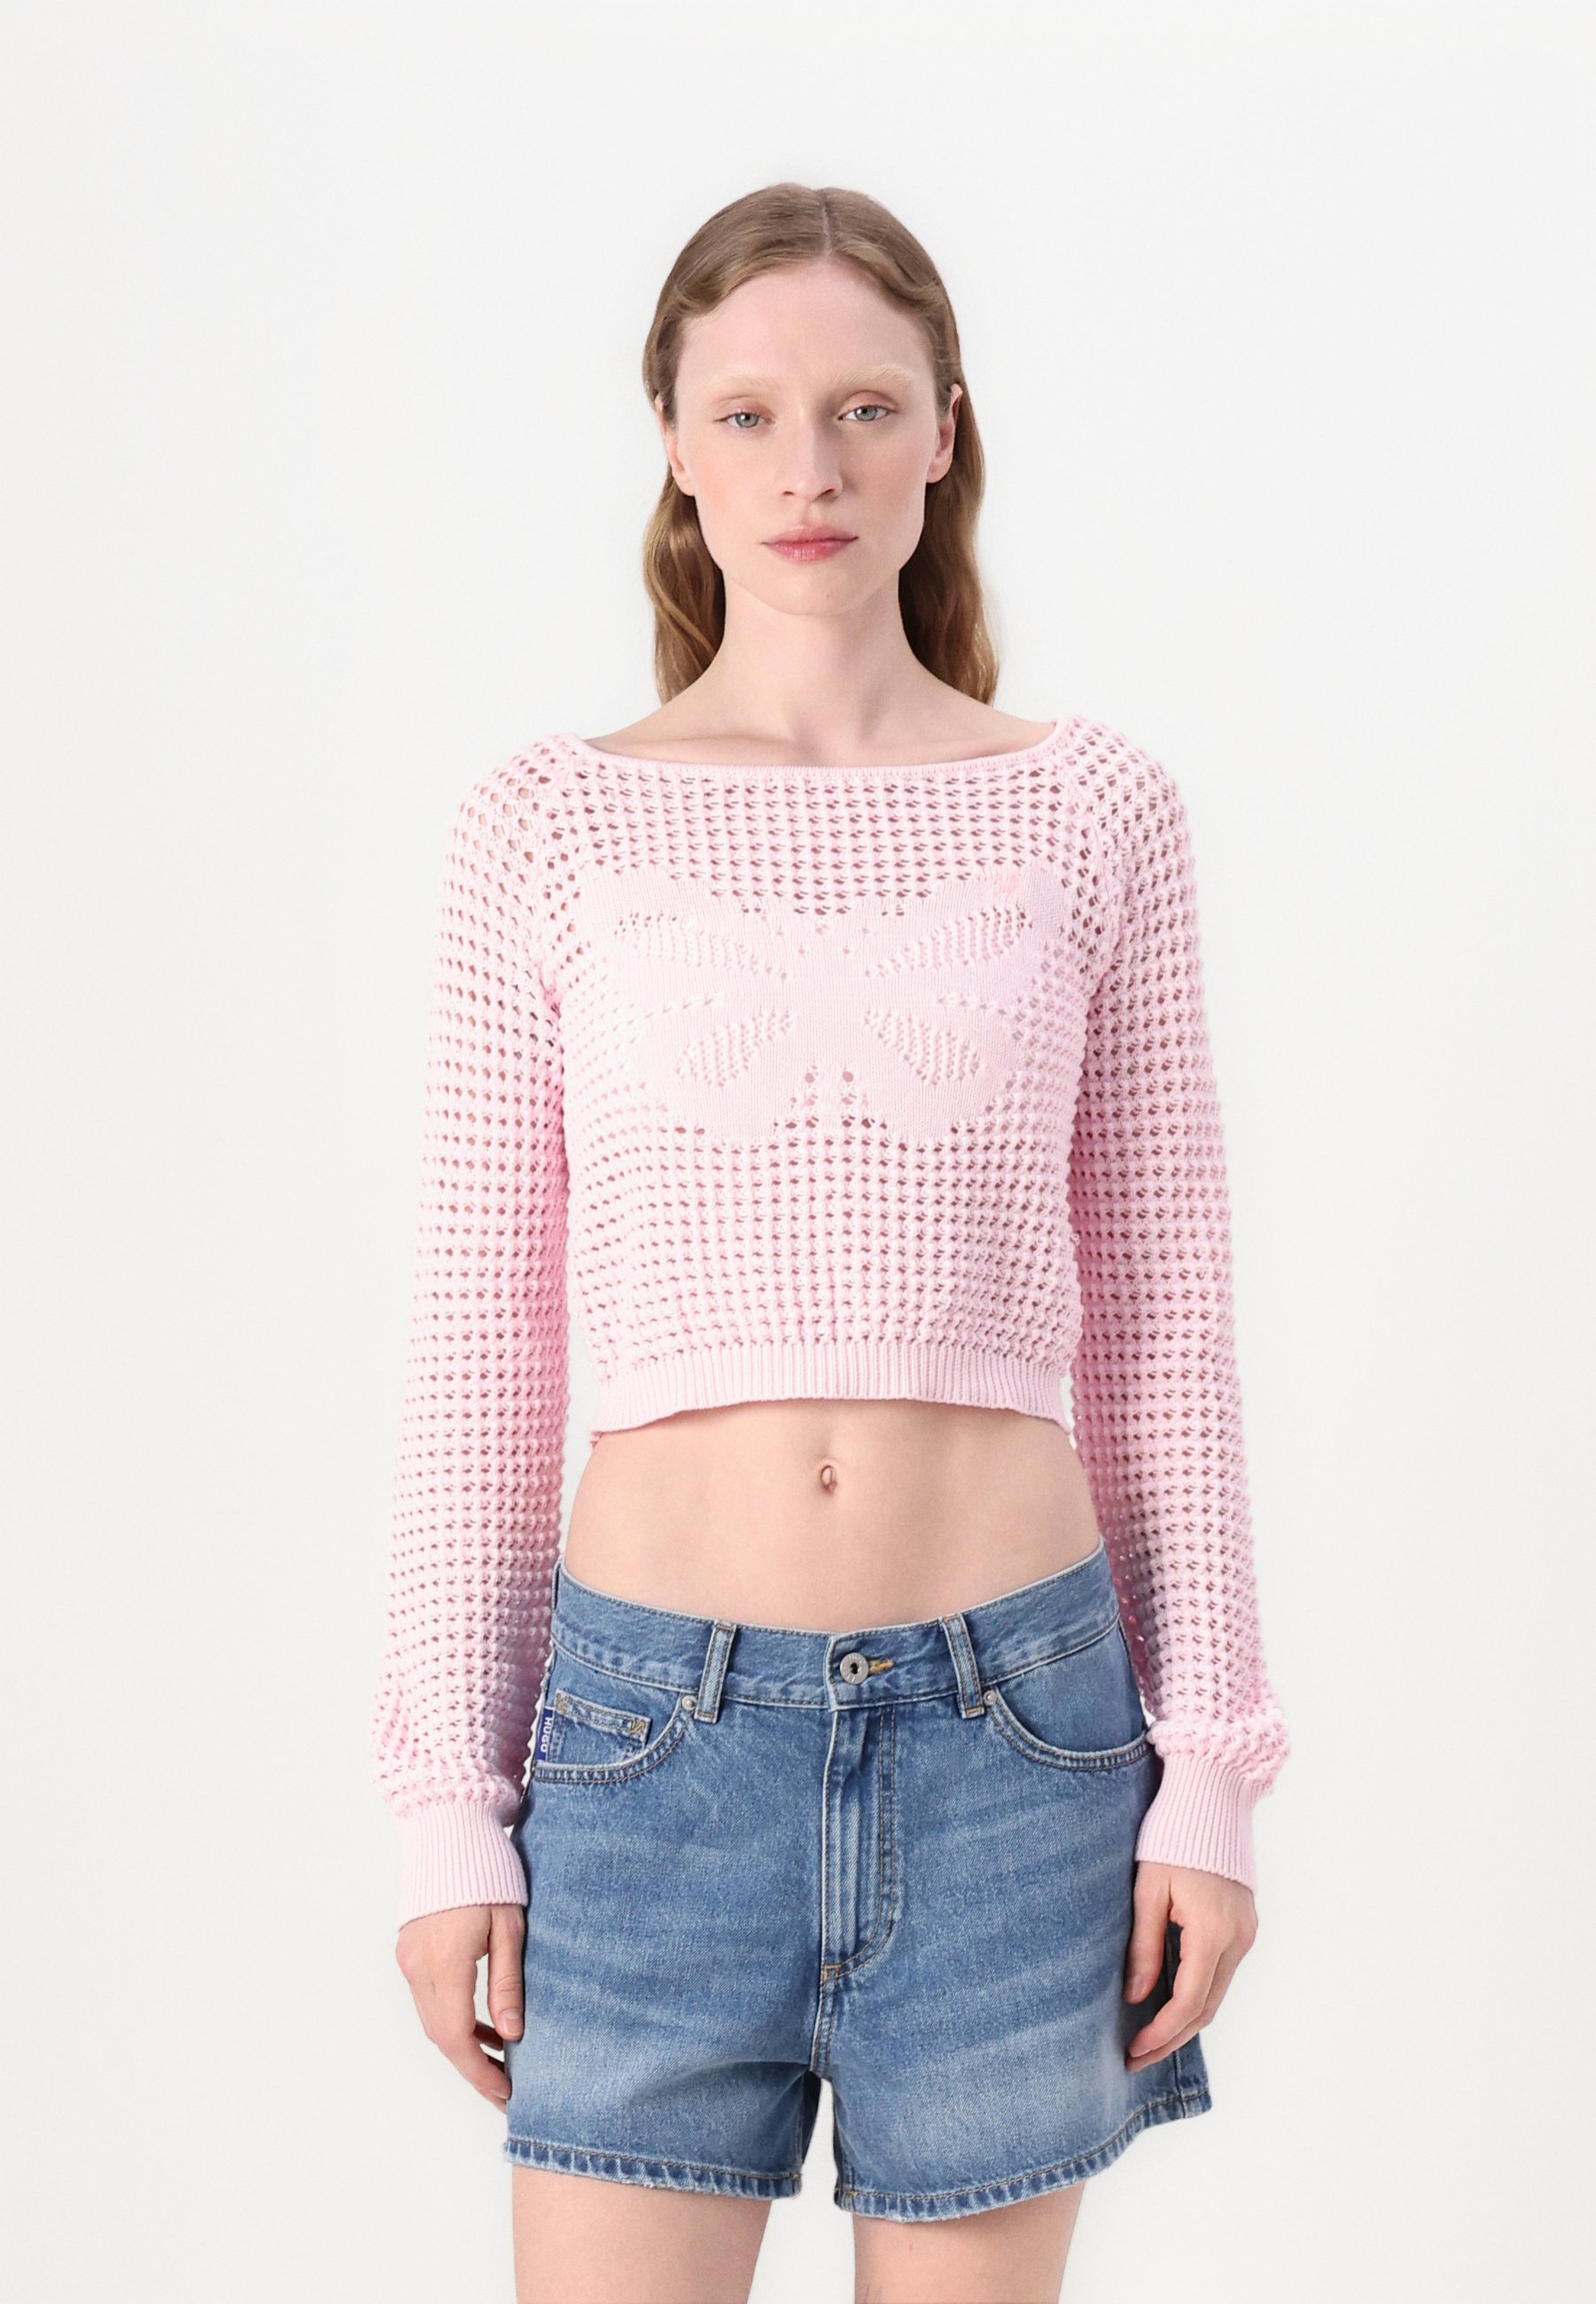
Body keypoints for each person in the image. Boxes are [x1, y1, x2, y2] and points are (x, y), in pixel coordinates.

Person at [370, 181, 1290, 2304]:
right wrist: (444, 1803)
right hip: (645, 1750)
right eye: (752, 413)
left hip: (1019, 1742)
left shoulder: (1091, 808)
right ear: (676, 448)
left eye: (865, 407)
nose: (810, 467)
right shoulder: (547, 822)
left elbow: (1169, 1319)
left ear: (943, 434)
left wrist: (1212, 1772)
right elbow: (478, 1348)